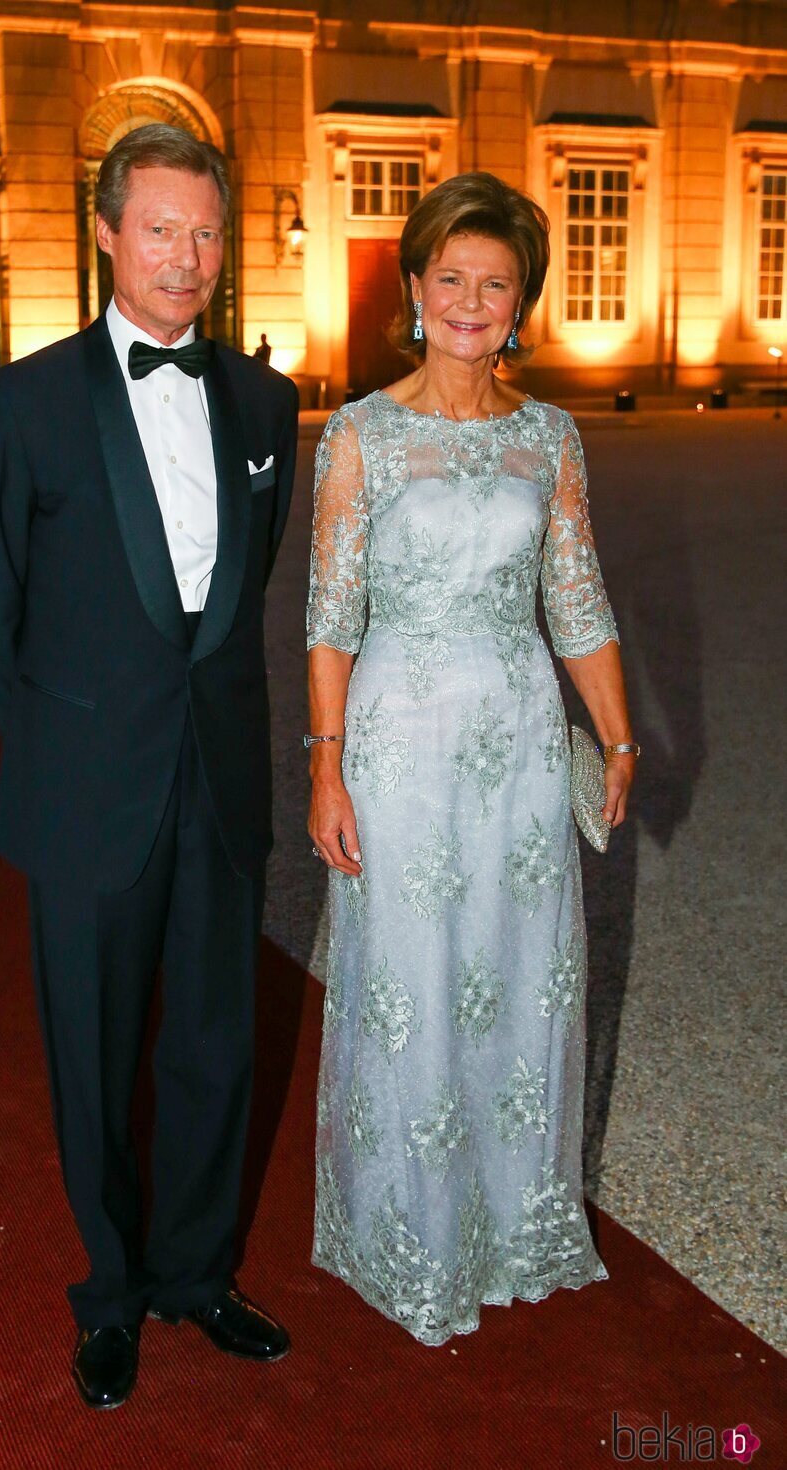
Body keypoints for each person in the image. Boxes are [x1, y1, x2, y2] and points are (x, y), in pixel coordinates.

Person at [0, 123, 299, 1410]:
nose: (187, 257)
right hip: (85, 789)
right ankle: (110, 1292)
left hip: (217, 782)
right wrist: (65, 752)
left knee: (214, 1042)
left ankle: (196, 1274)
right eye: (160, 228)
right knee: (92, 1055)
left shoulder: (266, 405)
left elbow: (233, 603)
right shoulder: (24, 401)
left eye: (206, 231)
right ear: (105, 233)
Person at [306, 171, 638, 1345]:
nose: (468, 300)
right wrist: (325, 766)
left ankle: (509, 1221)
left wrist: (613, 729)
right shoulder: (359, 435)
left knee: (515, 974)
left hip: (514, 747)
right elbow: (331, 615)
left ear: (518, 305)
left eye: (493, 283)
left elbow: (575, 594)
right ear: (412, 287)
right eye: (449, 277)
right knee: (411, 982)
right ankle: (407, 1233)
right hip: (401, 744)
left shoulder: (548, 438)